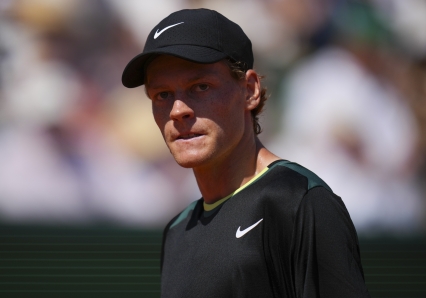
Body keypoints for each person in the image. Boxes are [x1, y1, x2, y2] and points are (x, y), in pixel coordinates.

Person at [121, 8, 370, 298]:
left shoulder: (299, 202)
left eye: (200, 87)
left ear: (250, 90)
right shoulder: (176, 232)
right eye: (162, 95)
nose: (178, 110)